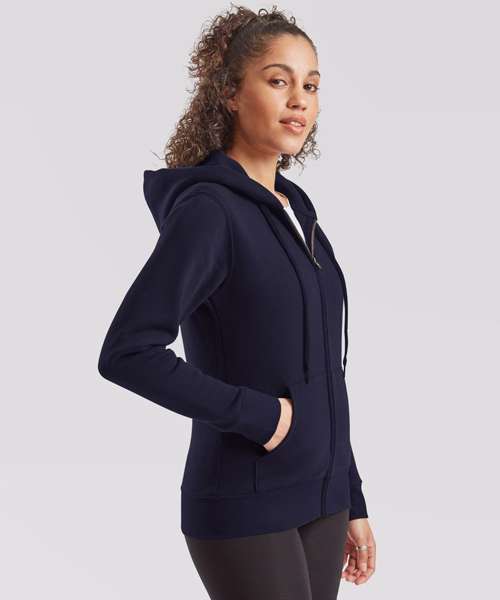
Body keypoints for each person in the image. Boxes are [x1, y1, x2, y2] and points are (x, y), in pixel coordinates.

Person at [98, 5, 376, 598]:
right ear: (228, 93)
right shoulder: (210, 212)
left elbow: (325, 371)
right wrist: (261, 417)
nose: (299, 100)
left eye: (311, 86)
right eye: (278, 81)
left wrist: (351, 494)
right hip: (244, 497)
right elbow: (127, 352)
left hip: (321, 497)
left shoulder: (296, 211)